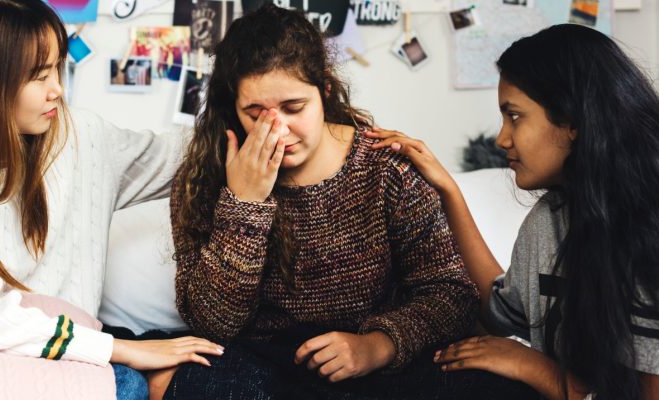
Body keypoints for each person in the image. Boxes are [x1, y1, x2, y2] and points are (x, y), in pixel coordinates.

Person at [162, 5, 537, 399]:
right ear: (233, 109)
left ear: (324, 90)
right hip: (265, 363)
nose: (278, 130)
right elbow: (213, 325)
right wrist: (244, 205)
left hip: (380, 359)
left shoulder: (386, 169)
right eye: (255, 114)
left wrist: (378, 345)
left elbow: (452, 295)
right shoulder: (203, 178)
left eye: (294, 108)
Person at [0, 1, 222, 398]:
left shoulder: (81, 135)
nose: (57, 89)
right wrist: (120, 349)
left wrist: (246, 130)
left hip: (68, 352)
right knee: (127, 385)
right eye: (38, 76)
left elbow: (176, 157)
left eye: (57, 68)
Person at [366, 24, 659, 400]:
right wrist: (449, 191)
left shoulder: (646, 233)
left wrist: (537, 369)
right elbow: (499, 313)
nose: (501, 138)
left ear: (571, 122)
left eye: (515, 116)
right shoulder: (549, 218)